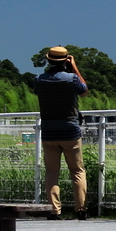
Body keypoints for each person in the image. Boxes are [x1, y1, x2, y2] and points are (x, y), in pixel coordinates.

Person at [31, 46, 89, 220]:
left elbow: (36, 91)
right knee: (77, 171)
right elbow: (84, 90)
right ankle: (81, 210)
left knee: (52, 172)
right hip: (70, 130)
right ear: (66, 60)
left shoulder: (39, 79)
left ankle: (54, 210)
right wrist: (75, 67)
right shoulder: (71, 79)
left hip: (49, 131)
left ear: (48, 60)